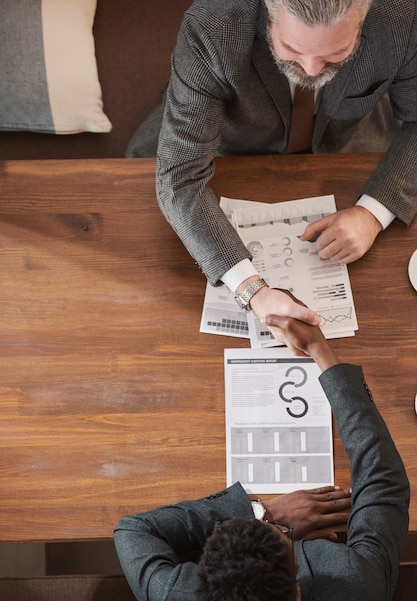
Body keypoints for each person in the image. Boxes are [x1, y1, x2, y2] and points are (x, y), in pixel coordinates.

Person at [127, 0, 417, 345]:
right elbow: (179, 177)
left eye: (337, 52)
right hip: (225, 143)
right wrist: (253, 290)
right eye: (292, 49)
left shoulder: (403, 17)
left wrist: (373, 212)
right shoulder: (213, 26)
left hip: (344, 141)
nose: (311, 71)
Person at [114, 314, 410, 601]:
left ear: (199, 585)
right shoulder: (353, 591)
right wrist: (318, 348)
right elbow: (384, 482)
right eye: (280, 533)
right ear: (296, 594)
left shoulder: (173, 600)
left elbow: (133, 530)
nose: (274, 525)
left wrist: (261, 512)